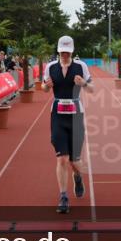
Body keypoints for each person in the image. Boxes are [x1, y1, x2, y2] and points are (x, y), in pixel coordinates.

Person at [42, 35, 94, 214]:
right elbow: (43, 87)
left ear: (71, 51)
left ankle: (78, 176)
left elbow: (92, 89)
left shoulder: (81, 66)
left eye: (68, 52)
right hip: (57, 115)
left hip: (76, 116)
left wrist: (84, 83)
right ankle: (63, 196)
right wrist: (46, 86)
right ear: (58, 50)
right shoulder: (50, 67)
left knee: (75, 160)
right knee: (62, 158)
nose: (65, 55)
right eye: (62, 52)